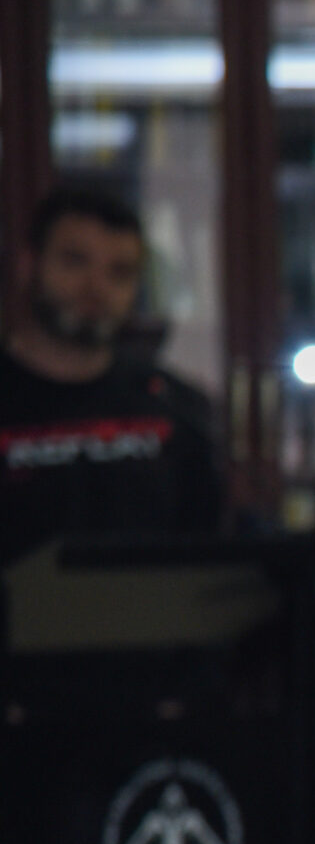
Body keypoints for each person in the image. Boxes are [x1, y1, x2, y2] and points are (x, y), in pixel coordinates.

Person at [1, 185, 224, 567]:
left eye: (119, 273)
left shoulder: (174, 406)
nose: (96, 288)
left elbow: (206, 556)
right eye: (75, 262)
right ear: (28, 265)